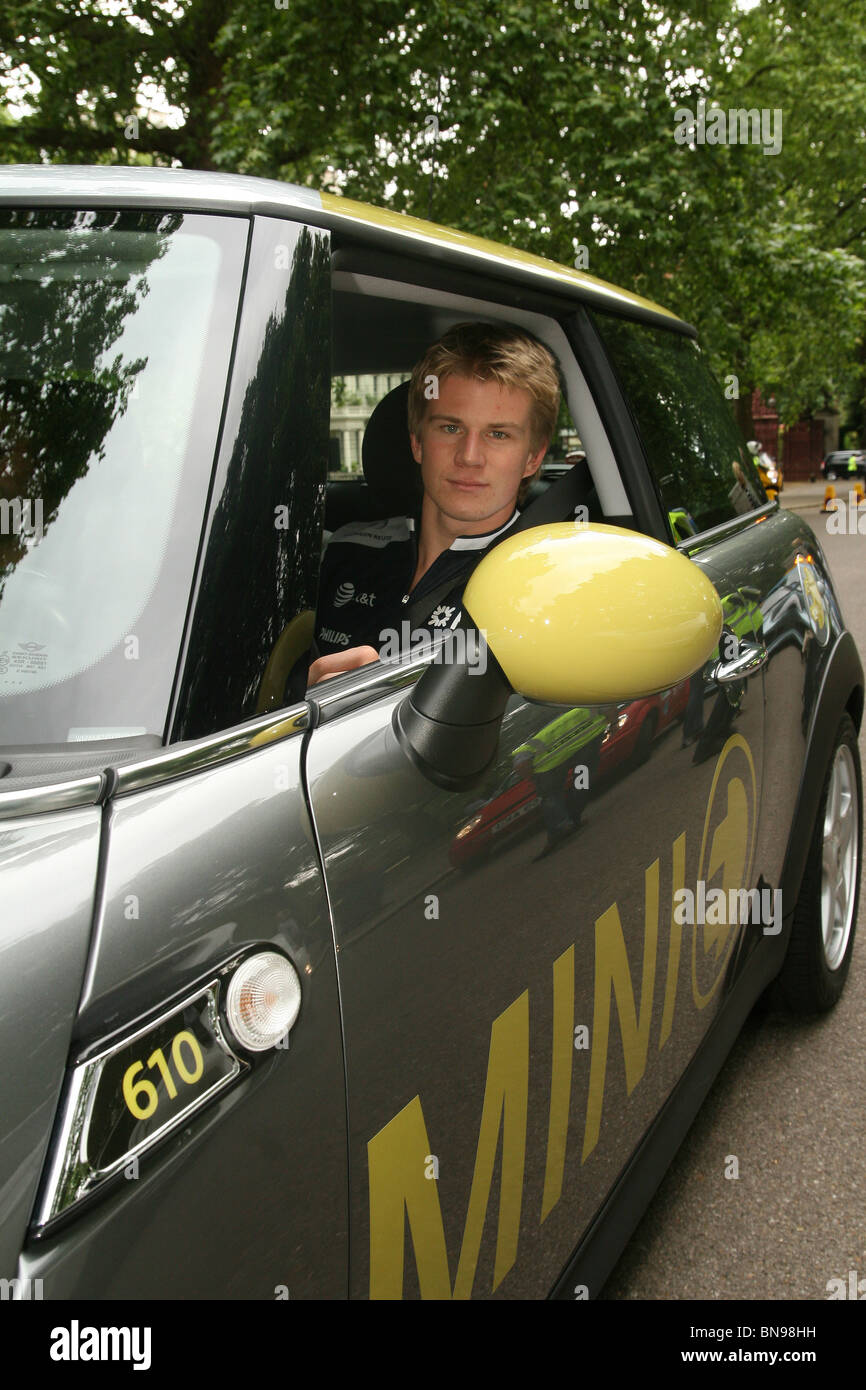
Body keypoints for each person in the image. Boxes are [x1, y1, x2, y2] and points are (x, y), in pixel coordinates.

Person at [307, 322, 561, 686]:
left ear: (533, 457)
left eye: (498, 434)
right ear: (417, 442)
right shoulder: (346, 548)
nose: (470, 457)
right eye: (450, 428)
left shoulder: (540, 583)